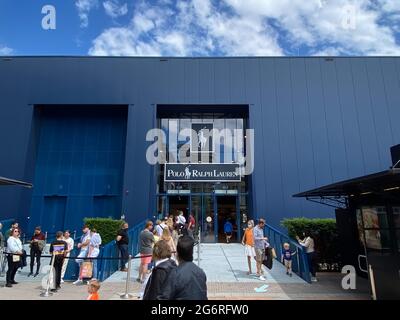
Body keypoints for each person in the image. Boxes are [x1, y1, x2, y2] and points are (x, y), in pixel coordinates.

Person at [160, 236, 207, 300]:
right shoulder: (201, 272)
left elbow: (164, 297)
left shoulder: (174, 273)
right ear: (192, 253)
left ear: (177, 254)